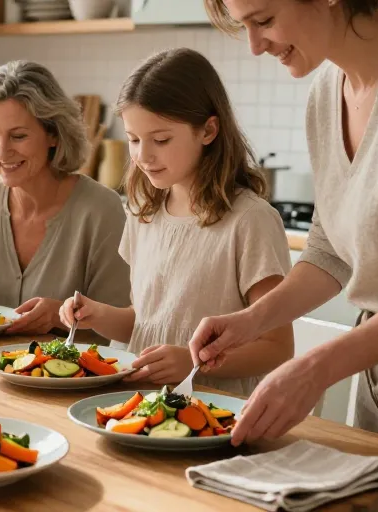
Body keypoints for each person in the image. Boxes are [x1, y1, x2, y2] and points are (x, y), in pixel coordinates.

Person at [191, 0, 378, 447]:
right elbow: (328, 250)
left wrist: (314, 369)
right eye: (244, 26)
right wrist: (251, 321)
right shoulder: (326, 92)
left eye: (264, 21)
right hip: (376, 375)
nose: (254, 46)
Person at [59, 48, 294, 396]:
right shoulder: (145, 213)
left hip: (216, 413)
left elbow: (277, 346)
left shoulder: (251, 221)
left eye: (161, 139)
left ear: (209, 130)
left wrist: (194, 361)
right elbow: (148, 323)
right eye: (133, 139)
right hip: (143, 402)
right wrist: (98, 315)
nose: (142, 156)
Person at [0, 60, 131, 340]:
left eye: (18, 136)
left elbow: (117, 328)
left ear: (53, 134)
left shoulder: (101, 209)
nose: (2, 152)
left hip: (71, 379)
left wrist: (61, 315)